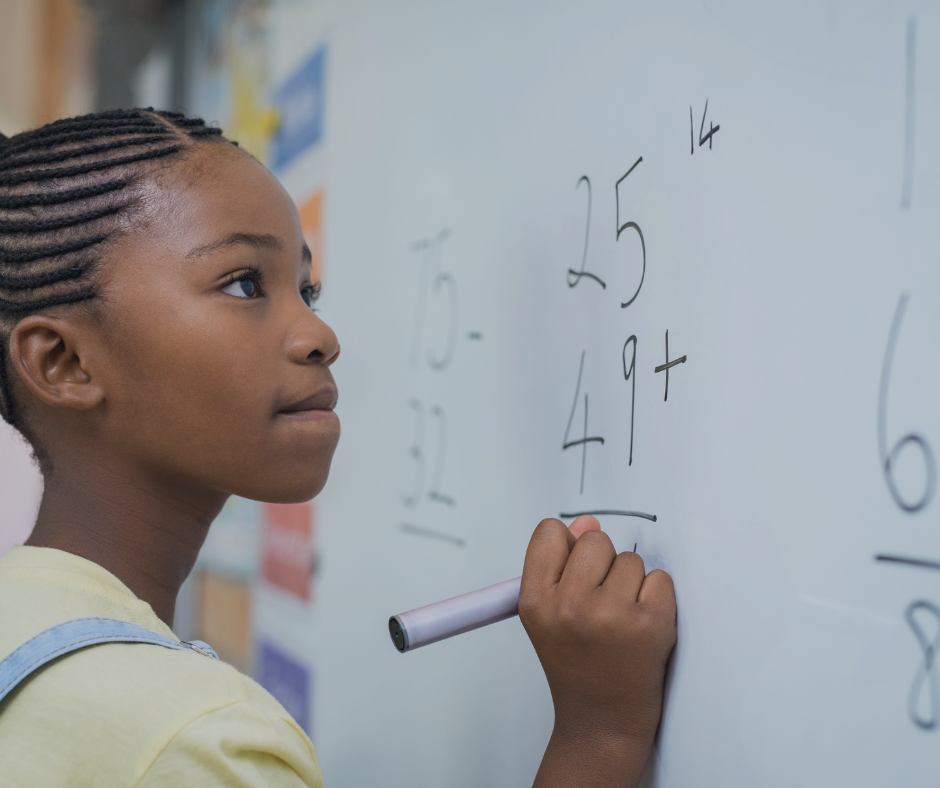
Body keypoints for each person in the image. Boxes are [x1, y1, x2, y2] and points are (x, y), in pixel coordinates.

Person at [0, 109, 677, 787]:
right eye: (244, 284)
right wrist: (599, 736)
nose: (320, 334)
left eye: (306, 289)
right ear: (64, 363)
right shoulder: (191, 742)